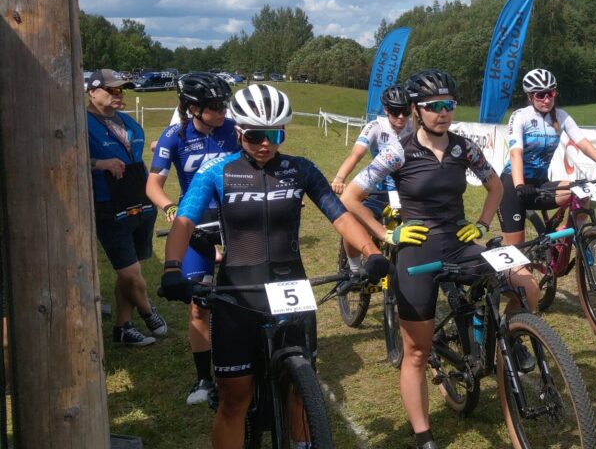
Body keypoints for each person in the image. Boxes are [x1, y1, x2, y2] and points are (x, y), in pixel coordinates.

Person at [158, 84, 388, 448]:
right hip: (237, 292)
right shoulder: (216, 171)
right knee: (235, 398)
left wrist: (370, 252)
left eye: (275, 135)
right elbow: (184, 221)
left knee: (299, 390)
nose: (265, 144)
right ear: (238, 132)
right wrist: (172, 268)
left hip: (290, 287)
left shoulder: (300, 169)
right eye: (255, 136)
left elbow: (339, 215)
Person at [339, 69, 500, 449]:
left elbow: (495, 185)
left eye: (449, 105)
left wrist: (481, 223)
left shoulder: (464, 148)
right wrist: (386, 235)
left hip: (459, 242)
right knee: (416, 352)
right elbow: (351, 198)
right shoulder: (399, 150)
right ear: (417, 110)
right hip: (417, 252)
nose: (443, 112)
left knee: (516, 278)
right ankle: (423, 435)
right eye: (434, 106)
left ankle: (509, 340)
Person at [145, 72, 238, 404]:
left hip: (234, 220)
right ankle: (203, 380)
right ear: (191, 108)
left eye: (223, 104)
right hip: (196, 224)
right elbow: (153, 185)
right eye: (214, 107)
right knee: (199, 307)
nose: (222, 111)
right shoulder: (175, 136)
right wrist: (171, 209)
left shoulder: (233, 129)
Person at [498, 67, 596, 311]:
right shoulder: (520, 116)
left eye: (551, 93)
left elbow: (584, 145)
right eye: (540, 95)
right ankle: (515, 302)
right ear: (530, 96)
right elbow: (516, 153)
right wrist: (520, 184)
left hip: (540, 183)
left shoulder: (562, 116)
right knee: (517, 258)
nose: (547, 99)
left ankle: (562, 238)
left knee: (581, 192)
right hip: (513, 186)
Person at [86, 69, 167, 347]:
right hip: (108, 205)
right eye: (112, 90)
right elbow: (64, 158)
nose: (119, 94)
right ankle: (147, 310)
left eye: (121, 90)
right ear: (92, 92)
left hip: (140, 202)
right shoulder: (79, 123)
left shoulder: (128, 121)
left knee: (129, 269)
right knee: (130, 274)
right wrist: (99, 164)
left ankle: (123, 327)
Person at [330, 85, 415, 273]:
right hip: (379, 190)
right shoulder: (375, 127)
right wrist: (339, 178)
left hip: (406, 191)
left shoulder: (415, 127)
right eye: (395, 112)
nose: (401, 117)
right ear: (386, 110)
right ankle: (354, 269)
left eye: (406, 111)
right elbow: (356, 155)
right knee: (352, 220)